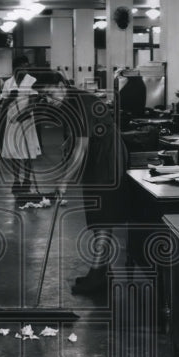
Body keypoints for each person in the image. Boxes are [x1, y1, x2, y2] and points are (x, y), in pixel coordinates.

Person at [34, 70, 129, 296]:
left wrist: (63, 180)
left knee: (102, 217)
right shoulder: (70, 101)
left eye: (49, 94)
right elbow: (81, 136)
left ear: (61, 85)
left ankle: (98, 276)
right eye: (43, 96)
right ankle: (101, 272)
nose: (48, 100)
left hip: (107, 160)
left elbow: (81, 148)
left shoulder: (79, 103)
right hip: (97, 157)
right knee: (96, 217)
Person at [0, 56, 43, 208]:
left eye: (27, 66)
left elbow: (34, 102)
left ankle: (27, 180)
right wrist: (10, 99)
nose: (25, 69)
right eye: (22, 66)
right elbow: (3, 105)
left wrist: (24, 114)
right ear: (15, 68)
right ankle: (17, 180)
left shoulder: (32, 80)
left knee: (27, 151)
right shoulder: (8, 83)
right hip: (12, 121)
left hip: (26, 120)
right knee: (14, 151)